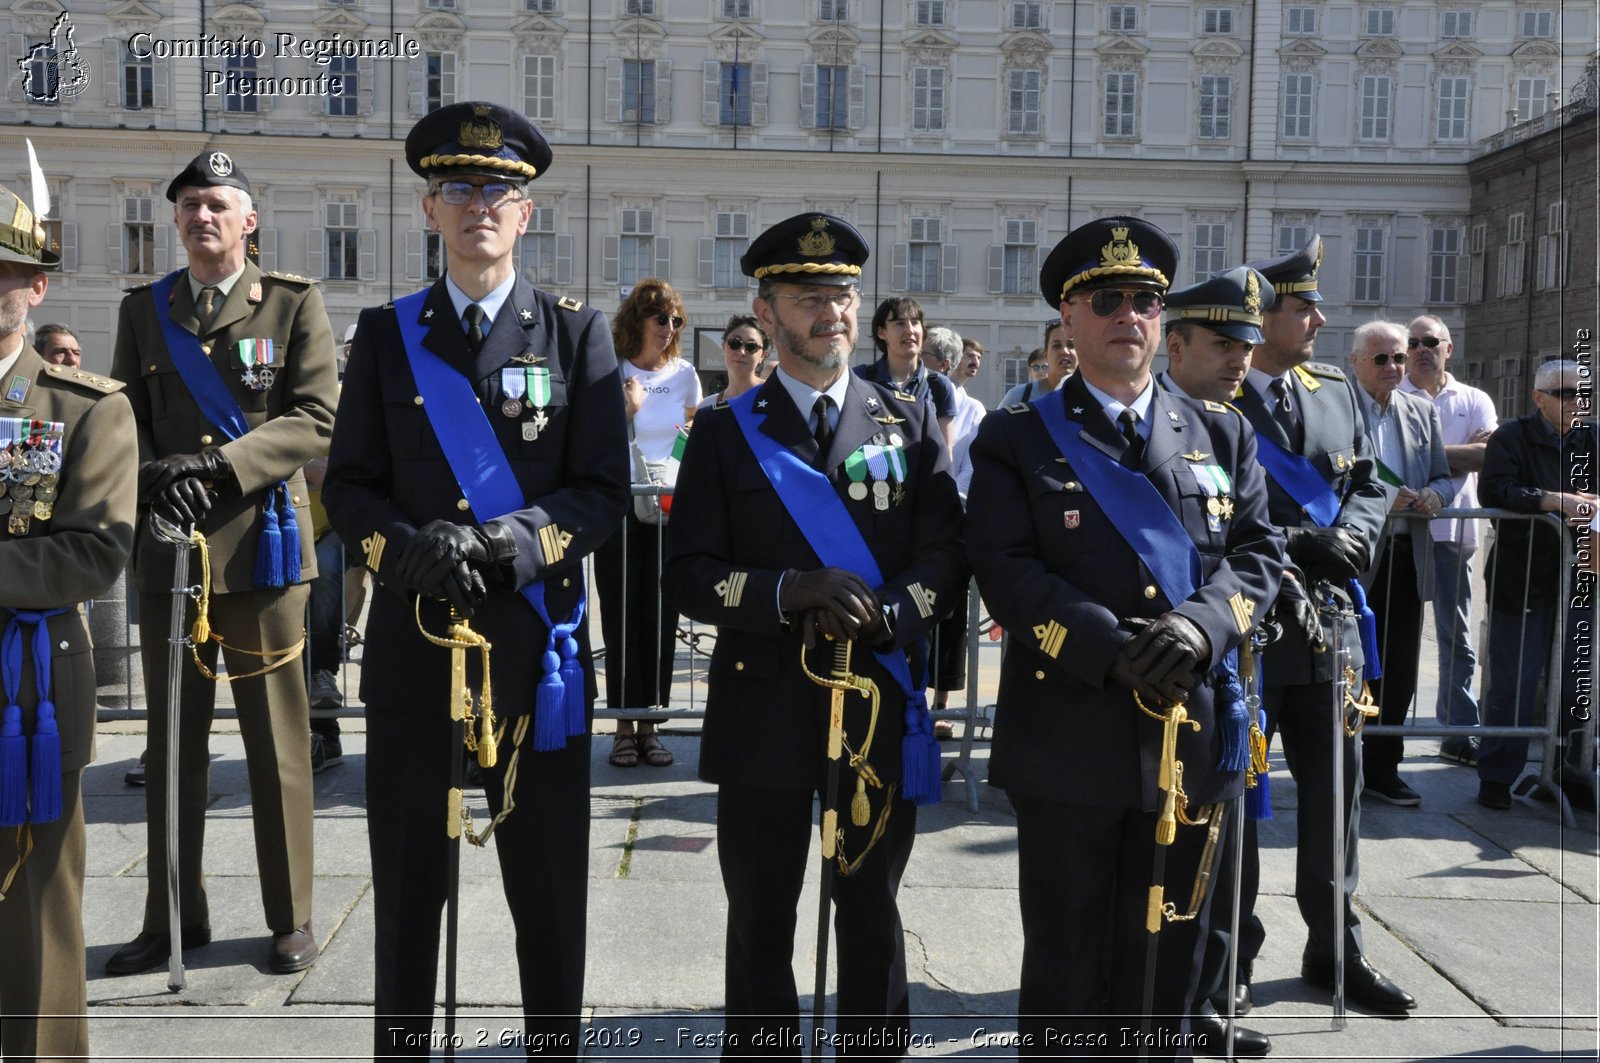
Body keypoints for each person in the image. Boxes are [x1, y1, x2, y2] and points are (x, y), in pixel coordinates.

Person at [323, 101, 630, 1058]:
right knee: (411, 894)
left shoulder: (578, 339)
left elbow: (599, 494)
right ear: (428, 210)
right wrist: (403, 549)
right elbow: (351, 486)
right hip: (417, 653)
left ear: (526, 213)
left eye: (498, 189)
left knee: (548, 897)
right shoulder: (384, 334)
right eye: (458, 188)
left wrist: (509, 541)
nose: (479, 205)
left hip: (536, 657)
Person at [966, 217, 1284, 1057]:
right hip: (1072, 732)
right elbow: (1005, 568)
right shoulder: (1016, 438)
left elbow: (1258, 557)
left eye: (1145, 300)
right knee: (1069, 964)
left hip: (1192, 731)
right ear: (1067, 318)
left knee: (1172, 963)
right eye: (1106, 299)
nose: (1129, 315)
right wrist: (1110, 650)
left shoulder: (1224, 431)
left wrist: (1198, 626)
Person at [663, 212, 966, 1055]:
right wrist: (789, 589)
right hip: (761, 709)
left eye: (840, 293)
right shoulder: (726, 431)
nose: (828, 311)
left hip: (876, 702)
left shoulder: (904, 421)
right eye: (806, 296)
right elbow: (685, 573)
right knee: (761, 915)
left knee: (871, 908)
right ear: (766, 313)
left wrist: (891, 612)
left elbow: (947, 553)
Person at [107, 151, 336, 977]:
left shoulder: (293, 303)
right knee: (172, 750)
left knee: (277, 748)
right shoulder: (144, 312)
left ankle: (290, 916)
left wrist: (218, 464)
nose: (202, 216)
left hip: (263, 554)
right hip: (171, 553)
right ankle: (173, 915)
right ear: (176, 221)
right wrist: (146, 485)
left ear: (249, 222)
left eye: (217, 205)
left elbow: (315, 418)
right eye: (189, 205)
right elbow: (122, 423)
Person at [1228, 234, 1413, 1015]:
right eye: (1303, 306)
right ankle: (1229, 952)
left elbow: (1372, 479)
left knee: (1337, 798)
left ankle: (1336, 946)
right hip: (1251, 626)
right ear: (1263, 314)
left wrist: (1360, 536)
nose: (1318, 318)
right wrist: (1306, 538)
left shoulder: (1334, 387)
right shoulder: (1216, 393)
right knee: (1234, 794)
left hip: (1329, 626)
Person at [0, 178, 137, 1063]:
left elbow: (94, 550)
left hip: (28, 695)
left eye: (1, 276)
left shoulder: (83, 406)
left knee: (37, 916)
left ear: (37, 285)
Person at [1159, 266, 1279, 1058]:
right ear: (1178, 343)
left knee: (1225, 853)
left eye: (1248, 343)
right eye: (1225, 341)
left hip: (1224, 668)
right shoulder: (1150, 425)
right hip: (1154, 670)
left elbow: (1255, 546)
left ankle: (1205, 990)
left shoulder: (1231, 428)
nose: (1242, 356)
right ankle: (1165, 1000)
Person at [1475, 359, 1596, 812]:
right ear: (1539, 398)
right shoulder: (1513, 435)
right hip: (1522, 577)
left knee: (1577, 683)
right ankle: (1496, 777)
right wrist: (1552, 501)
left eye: (1581, 394)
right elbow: (1495, 490)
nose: (1575, 402)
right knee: (1513, 682)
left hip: (1581, 579)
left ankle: (1570, 770)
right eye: (1564, 394)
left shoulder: (1593, 438)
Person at [1349, 321, 1453, 808]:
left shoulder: (1421, 411)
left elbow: (1443, 477)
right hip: (1354, 558)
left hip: (1408, 557)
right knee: (1350, 666)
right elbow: (1325, 474)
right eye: (1382, 359)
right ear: (1356, 363)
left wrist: (1434, 494)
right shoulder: (1337, 408)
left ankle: (1384, 768)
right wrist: (1382, 499)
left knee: (1400, 670)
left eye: (1398, 358)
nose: (1394, 367)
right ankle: (1343, 766)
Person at [597, 278, 701, 768]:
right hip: (619, 508)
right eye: (661, 318)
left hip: (668, 508)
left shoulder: (685, 376)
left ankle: (651, 725)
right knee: (621, 615)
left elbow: (690, 439)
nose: (669, 328)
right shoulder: (609, 370)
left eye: (676, 320)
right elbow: (593, 444)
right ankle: (622, 725)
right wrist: (627, 411)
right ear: (636, 319)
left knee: (661, 617)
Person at [1399, 315, 1497, 766]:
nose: (1420, 349)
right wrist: (1456, 460)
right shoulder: (1394, 395)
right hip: (1402, 531)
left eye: (1429, 342)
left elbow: (1486, 457)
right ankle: (1379, 733)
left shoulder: (1474, 398)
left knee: (1456, 636)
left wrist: (1427, 458)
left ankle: (1458, 732)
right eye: (1412, 343)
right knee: (1390, 633)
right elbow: (1391, 464)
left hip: (1455, 532)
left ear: (1448, 348)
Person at [856, 296, 958, 453]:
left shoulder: (939, 386)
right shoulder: (860, 379)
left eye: (915, 322)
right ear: (881, 332)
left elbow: (945, 453)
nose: (910, 330)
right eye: (900, 323)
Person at [999, 321, 1075, 406]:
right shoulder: (1018, 396)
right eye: (1056, 346)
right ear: (1046, 356)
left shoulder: (1091, 397)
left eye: (1071, 345)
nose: (1064, 351)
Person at [947, 330, 986, 496]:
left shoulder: (971, 405)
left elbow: (972, 461)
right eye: (969, 356)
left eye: (978, 358)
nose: (975, 362)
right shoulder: (937, 391)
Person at [701, 313, 768, 407]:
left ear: (762, 356)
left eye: (751, 346)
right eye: (734, 343)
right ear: (723, 347)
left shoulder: (777, 396)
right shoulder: (707, 406)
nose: (741, 352)